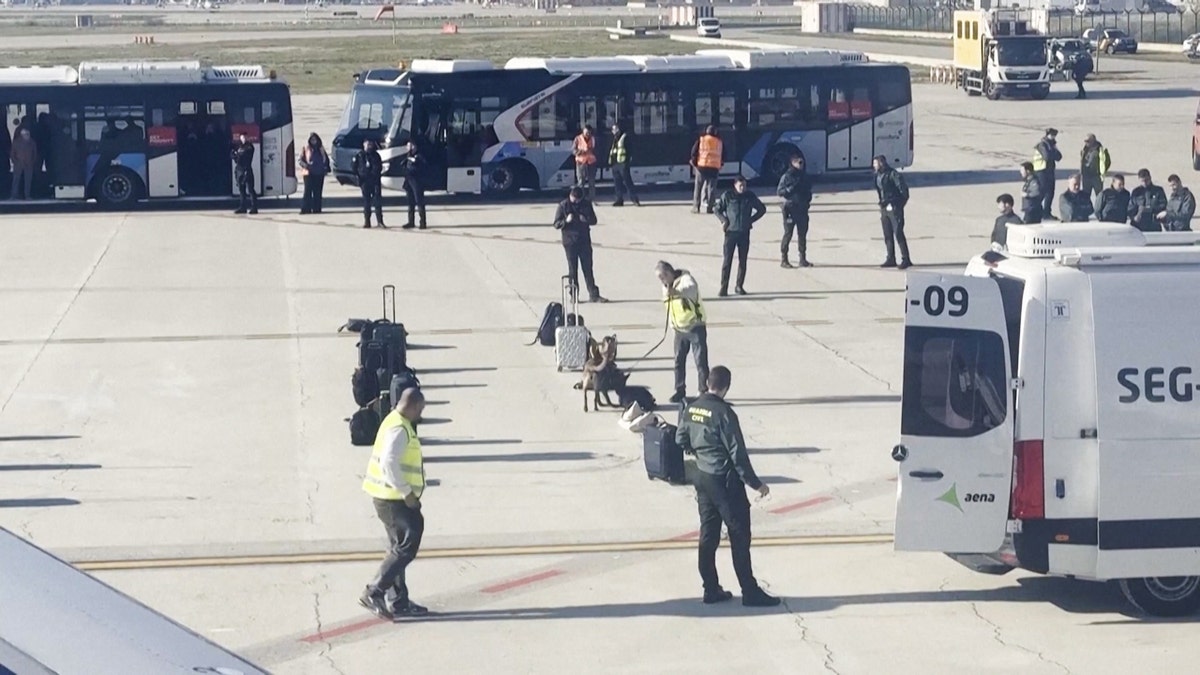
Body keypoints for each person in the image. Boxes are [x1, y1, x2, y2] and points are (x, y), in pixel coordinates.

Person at [675, 366, 780, 608]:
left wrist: (700, 451)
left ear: (707, 383)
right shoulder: (724, 413)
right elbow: (737, 454)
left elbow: (681, 440)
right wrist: (756, 484)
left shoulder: (691, 408)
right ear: (726, 387)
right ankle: (750, 591)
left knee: (708, 535)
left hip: (702, 478)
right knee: (739, 534)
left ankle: (710, 588)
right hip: (725, 481)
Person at [359, 388, 429, 620]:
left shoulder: (393, 419)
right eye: (420, 409)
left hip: (387, 496)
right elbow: (390, 463)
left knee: (397, 547)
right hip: (393, 498)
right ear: (413, 405)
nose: (421, 414)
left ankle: (399, 601)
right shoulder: (399, 428)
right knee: (408, 543)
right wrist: (407, 492)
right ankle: (374, 591)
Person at [655, 261, 708, 404]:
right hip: (679, 329)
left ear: (668, 273)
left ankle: (703, 390)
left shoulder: (686, 280)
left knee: (700, 361)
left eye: (662, 277)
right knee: (678, 361)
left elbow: (691, 289)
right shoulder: (666, 286)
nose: (661, 281)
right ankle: (679, 390)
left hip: (695, 326)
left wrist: (677, 293)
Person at [713, 176, 765, 297]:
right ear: (735, 185)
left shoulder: (750, 196)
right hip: (731, 232)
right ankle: (724, 287)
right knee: (727, 261)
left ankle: (739, 286)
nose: (743, 188)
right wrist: (724, 220)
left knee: (743, 261)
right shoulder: (728, 196)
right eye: (740, 186)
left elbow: (761, 209)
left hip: (744, 232)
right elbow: (717, 209)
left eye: (744, 186)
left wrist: (751, 220)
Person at [554, 187, 608, 303]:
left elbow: (594, 220)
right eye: (574, 200)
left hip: (584, 240)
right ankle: (574, 296)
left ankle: (593, 294)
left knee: (588, 268)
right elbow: (556, 224)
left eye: (578, 200)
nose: (576, 202)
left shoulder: (586, 204)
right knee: (573, 270)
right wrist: (565, 222)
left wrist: (586, 219)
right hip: (570, 242)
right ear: (571, 196)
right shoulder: (563, 206)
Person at [873, 155, 911, 269]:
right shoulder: (878, 176)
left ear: (881, 163)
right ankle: (891, 258)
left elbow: (904, 192)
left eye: (875, 163)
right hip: (884, 208)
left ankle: (906, 258)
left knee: (898, 233)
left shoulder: (893, 174)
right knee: (887, 234)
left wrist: (897, 204)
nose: (873, 166)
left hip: (894, 208)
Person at [776, 152, 814, 268]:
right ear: (793, 163)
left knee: (802, 234)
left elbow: (809, 189)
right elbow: (780, 192)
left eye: (802, 162)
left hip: (802, 208)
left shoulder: (804, 176)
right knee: (788, 234)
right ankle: (784, 259)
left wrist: (808, 198)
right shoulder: (787, 176)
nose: (801, 165)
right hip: (790, 209)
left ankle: (802, 259)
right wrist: (791, 189)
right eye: (798, 162)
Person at [352, 139, 385, 229]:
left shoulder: (376, 155)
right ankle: (367, 221)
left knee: (377, 201)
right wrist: (360, 176)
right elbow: (354, 167)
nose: (369, 145)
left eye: (370, 144)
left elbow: (379, 167)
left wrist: (374, 174)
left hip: (375, 181)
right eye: (367, 144)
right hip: (365, 181)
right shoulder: (359, 155)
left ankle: (380, 221)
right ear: (364, 145)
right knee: (367, 202)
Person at [690, 125, 722, 214]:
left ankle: (696, 207)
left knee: (698, 187)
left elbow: (694, 152)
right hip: (714, 168)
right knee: (711, 188)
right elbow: (724, 154)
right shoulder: (719, 142)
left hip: (702, 167)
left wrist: (694, 162)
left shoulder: (702, 140)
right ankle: (710, 208)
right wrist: (721, 164)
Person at [608, 122, 640, 207]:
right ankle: (619, 200)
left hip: (623, 163)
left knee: (627, 181)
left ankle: (634, 199)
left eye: (615, 129)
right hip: (615, 163)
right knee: (617, 183)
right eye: (613, 129)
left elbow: (629, 149)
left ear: (619, 129)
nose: (613, 131)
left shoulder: (625, 137)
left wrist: (627, 161)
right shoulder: (614, 138)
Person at [298, 132, 330, 215]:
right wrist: (306, 165)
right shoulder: (305, 148)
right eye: (312, 140)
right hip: (308, 173)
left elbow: (326, 159)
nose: (313, 141)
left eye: (314, 139)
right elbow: (300, 160)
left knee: (318, 192)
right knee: (307, 192)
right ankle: (306, 209)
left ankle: (317, 208)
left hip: (319, 173)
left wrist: (325, 168)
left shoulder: (321, 149)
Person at [1033, 128, 1062, 220]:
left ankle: (1046, 212)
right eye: (1052, 135)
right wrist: (1053, 153)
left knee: (1050, 192)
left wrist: (1052, 152)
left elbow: (1059, 157)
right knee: (1042, 192)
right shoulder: (1042, 145)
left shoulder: (1052, 145)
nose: (1053, 137)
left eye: (1054, 135)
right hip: (1041, 171)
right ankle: (1035, 210)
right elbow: (1047, 156)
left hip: (1049, 171)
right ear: (1047, 134)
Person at [1129, 168, 1168, 233]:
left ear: (1150, 178)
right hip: (1138, 225)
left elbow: (1163, 205)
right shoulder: (1136, 192)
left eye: (1146, 180)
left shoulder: (1158, 190)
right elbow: (1131, 207)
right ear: (1139, 180)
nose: (1145, 183)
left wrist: (1151, 209)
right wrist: (1134, 217)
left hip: (1153, 225)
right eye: (1142, 181)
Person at [401, 141, 427, 230]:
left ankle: (423, 222)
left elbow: (423, 166)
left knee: (419, 201)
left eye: (409, 146)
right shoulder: (408, 155)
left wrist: (415, 162)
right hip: (408, 180)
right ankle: (411, 221)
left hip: (417, 181)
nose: (407, 147)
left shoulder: (419, 156)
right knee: (410, 202)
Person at [231, 133, 257, 215]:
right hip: (239, 170)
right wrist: (234, 155)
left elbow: (245, 156)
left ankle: (254, 208)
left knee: (250, 189)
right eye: (242, 138)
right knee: (241, 190)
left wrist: (237, 155)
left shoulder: (249, 147)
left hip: (247, 169)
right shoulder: (239, 147)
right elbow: (235, 158)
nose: (244, 139)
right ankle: (243, 207)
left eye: (245, 137)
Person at [9, 128, 37, 201]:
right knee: (16, 180)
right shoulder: (16, 142)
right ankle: (13, 195)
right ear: (22, 135)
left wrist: (32, 162)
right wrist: (15, 162)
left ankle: (27, 196)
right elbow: (12, 153)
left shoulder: (32, 142)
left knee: (28, 181)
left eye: (28, 134)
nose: (27, 136)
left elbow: (35, 153)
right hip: (18, 164)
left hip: (29, 164)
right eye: (26, 134)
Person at [573, 124, 597, 202]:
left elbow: (597, 150)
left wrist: (591, 151)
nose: (587, 134)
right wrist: (581, 152)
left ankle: (592, 199)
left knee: (592, 182)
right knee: (581, 183)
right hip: (581, 163)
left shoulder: (593, 139)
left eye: (589, 133)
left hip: (591, 163)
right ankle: (580, 199)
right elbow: (573, 150)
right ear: (583, 131)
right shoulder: (578, 139)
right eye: (586, 132)